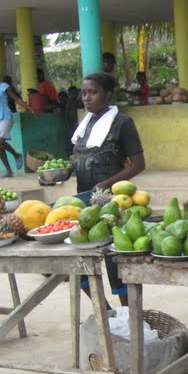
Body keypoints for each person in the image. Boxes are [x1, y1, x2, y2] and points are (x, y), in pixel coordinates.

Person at [71, 72, 145, 306]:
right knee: (82, 264)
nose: (86, 98)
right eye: (83, 93)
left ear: (108, 94)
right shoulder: (85, 125)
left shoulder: (122, 123)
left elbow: (138, 164)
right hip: (85, 201)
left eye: (93, 92)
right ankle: (105, 311)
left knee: (116, 263)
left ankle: (128, 314)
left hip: (115, 202)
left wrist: (106, 184)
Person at [64, 86, 81, 154]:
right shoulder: (70, 102)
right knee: (71, 141)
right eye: (73, 92)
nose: (75, 94)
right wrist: (69, 126)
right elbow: (67, 114)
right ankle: (69, 154)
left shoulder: (76, 102)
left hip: (77, 125)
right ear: (70, 93)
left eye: (76, 92)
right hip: (72, 126)